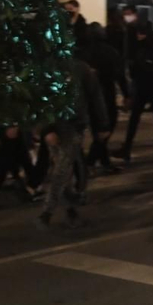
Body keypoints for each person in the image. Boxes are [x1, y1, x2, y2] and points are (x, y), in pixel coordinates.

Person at [39, 57, 110, 228]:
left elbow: (95, 97)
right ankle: (71, 206)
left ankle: (47, 211)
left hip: (73, 125)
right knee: (63, 169)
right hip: (56, 124)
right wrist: (46, 129)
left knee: (61, 169)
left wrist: (102, 124)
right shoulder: (46, 68)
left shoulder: (80, 69)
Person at [80, 24, 125, 174]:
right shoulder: (111, 52)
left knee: (96, 128)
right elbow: (120, 75)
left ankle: (102, 161)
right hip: (106, 93)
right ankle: (91, 161)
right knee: (105, 128)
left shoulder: (83, 52)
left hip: (88, 96)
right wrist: (127, 93)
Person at [117, 20, 153, 161]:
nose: (139, 35)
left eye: (142, 32)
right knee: (134, 119)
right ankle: (127, 147)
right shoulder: (138, 48)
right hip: (142, 88)